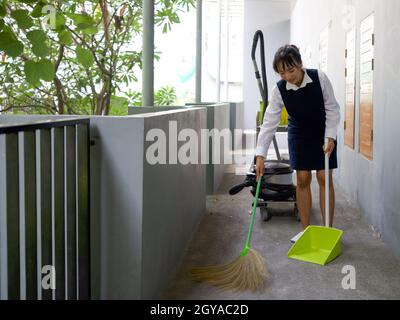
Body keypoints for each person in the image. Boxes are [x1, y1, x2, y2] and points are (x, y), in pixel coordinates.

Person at [255, 44, 341, 242]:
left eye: (291, 70)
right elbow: (269, 122)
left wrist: (330, 136)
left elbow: (332, 108)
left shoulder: (319, 77)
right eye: (282, 73)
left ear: (300, 64)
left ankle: (328, 232)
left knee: (324, 176)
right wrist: (260, 154)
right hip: (299, 132)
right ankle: (306, 231)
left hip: (322, 129)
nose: (287, 76)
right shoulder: (279, 90)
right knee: (302, 178)